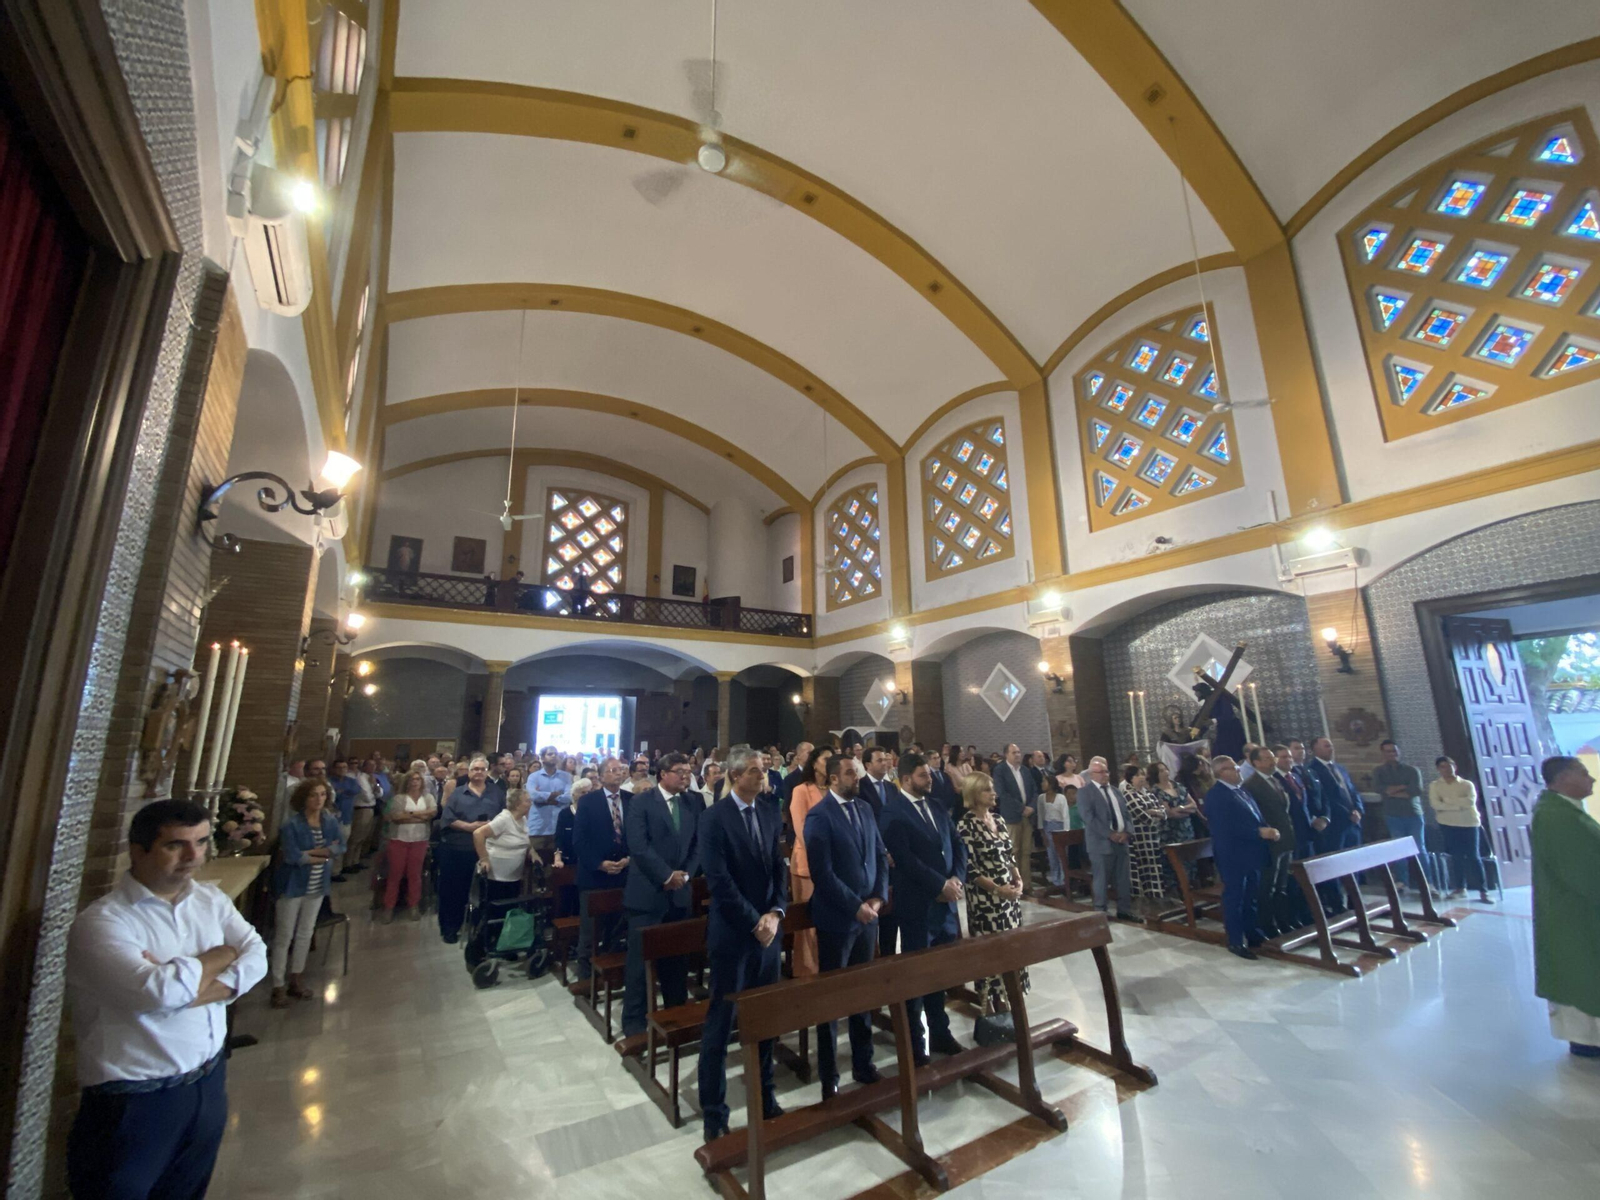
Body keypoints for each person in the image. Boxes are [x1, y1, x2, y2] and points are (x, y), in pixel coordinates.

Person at [65, 799, 267, 1199]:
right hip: (136, 1101)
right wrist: (221, 955)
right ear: (138, 851)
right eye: (176, 845)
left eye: (202, 842)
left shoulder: (210, 901)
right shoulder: (104, 922)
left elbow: (257, 954)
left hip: (207, 1084)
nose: (193, 856)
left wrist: (185, 986)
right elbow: (158, 993)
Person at [697, 746, 789, 1143]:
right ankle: (715, 1112)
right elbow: (719, 881)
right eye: (754, 771)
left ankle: (764, 1094)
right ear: (735, 776)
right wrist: (755, 921)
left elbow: (778, 867)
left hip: (768, 933)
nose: (762, 777)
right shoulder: (714, 818)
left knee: (766, 1018)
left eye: (764, 770)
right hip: (734, 934)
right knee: (722, 1021)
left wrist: (776, 912)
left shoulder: (768, 811)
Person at [803, 753, 889, 1098]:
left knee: (862, 992)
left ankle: (864, 1062)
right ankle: (829, 1073)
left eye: (857, 772)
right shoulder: (819, 816)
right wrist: (856, 906)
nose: (858, 778)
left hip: (869, 916)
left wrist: (878, 898)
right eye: (851, 773)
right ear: (834, 779)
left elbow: (880, 856)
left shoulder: (865, 809)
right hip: (838, 920)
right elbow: (822, 874)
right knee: (833, 999)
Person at [879, 753, 966, 1061]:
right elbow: (905, 859)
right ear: (905, 780)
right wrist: (938, 885)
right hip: (917, 906)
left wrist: (956, 878)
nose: (929, 780)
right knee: (917, 976)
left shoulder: (938, 806)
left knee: (940, 975)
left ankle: (940, 1033)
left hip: (946, 906)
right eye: (922, 776)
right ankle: (916, 1043)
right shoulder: (893, 813)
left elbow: (957, 844)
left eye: (929, 775)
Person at [621, 753, 703, 1039]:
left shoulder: (693, 802)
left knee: (677, 960)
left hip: (681, 892)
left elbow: (698, 844)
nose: (686, 776)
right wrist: (667, 876)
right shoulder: (641, 802)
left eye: (688, 770)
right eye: (679, 771)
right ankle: (634, 1023)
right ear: (662, 774)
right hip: (648, 894)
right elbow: (638, 846)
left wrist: (686, 875)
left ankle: (675, 1015)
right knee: (638, 963)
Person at [1531, 755, 1600, 1056]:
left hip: (1577, 910)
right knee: (1580, 972)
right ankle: (1586, 1041)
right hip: (1575, 913)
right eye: (1584, 773)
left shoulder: (1562, 810)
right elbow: (1582, 871)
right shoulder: (1556, 817)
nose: (1592, 779)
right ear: (1563, 778)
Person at [957, 773, 1028, 1018]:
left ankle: (1011, 1002)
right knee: (991, 953)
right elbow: (969, 868)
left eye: (992, 789)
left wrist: (1017, 878)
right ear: (975, 794)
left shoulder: (997, 819)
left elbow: (1009, 855)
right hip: (986, 900)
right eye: (987, 790)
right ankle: (992, 1007)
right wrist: (997, 889)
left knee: (1011, 948)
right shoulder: (966, 824)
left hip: (1008, 898)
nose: (993, 793)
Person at [1205, 756, 1279, 959]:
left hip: (1251, 852)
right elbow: (1225, 828)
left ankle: (1253, 933)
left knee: (1250, 896)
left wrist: (1264, 829)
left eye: (1237, 767)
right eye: (1233, 768)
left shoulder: (1242, 790)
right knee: (1235, 897)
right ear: (1221, 772)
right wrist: (1258, 832)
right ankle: (1235, 940)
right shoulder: (1216, 796)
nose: (1238, 771)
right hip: (1233, 854)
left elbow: (1254, 814)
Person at [573, 757, 631, 980]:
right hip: (595, 876)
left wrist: (628, 859)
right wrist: (599, 863)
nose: (618, 773)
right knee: (590, 932)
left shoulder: (631, 799)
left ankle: (611, 974)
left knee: (617, 928)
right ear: (603, 774)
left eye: (621, 770)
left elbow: (636, 835)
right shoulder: (589, 802)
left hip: (623, 874)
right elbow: (579, 840)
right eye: (613, 770)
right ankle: (586, 978)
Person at [436, 756, 502, 943]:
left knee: (484, 891)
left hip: (487, 848)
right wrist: (471, 827)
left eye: (482, 769)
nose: (478, 772)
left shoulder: (496, 792)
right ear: (469, 772)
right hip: (459, 847)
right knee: (453, 890)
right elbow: (448, 819)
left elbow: (503, 815)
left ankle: (479, 928)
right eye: (475, 769)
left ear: (487, 772)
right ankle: (450, 927)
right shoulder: (458, 793)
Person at [787, 745, 833, 979]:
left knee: (830, 921)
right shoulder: (801, 790)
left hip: (834, 867)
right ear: (815, 763)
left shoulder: (835, 791)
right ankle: (807, 975)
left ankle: (829, 971)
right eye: (827, 759)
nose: (831, 762)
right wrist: (823, 858)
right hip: (807, 865)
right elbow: (801, 829)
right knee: (807, 925)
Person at [1242, 747, 1296, 936]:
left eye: (1272, 758)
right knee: (1268, 886)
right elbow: (1253, 815)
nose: (1272, 762)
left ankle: (1283, 920)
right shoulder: (1251, 785)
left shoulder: (1275, 780)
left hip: (1285, 839)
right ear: (1255, 763)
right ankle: (1267, 924)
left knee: (1282, 884)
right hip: (1269, 843)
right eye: (1266, 759)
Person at [1308, 737, 1363, 912]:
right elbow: (1325, 799)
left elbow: (1352, 791)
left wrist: (1358, 810)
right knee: (1334, 866)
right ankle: (1336, 903)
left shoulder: (1340, 768)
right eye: (1326, 746)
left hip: (1352, 823)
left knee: (1354, 863)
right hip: (1334, 825)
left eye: (1331, 745)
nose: (1330, 748)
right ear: (1315, 749)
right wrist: (1345, 814)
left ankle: (1354, 901)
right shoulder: (1313, 770)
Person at [1428, 756, 1492, 903]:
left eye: (1450, 765)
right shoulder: (1435, 785)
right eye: (1443, 766)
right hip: (1447, 824)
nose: (1447, 769)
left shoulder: (1466, 784)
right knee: (1456, 857)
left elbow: (1469, 801)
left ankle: (1483, 891)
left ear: (1455, 767)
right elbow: (1436, 804)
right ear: (1438, 769)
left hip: (1469, 823)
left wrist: (1447, 802)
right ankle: (1460, 888)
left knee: (1473, 857)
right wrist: (1458, 805)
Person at [1077, 759, 1136, 919]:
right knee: (1101, 879)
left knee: (1123, 878)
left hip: (1121, 841)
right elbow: (1089, 818)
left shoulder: (1116, 791)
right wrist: (1109, 834)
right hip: (1100, 843)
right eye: (1100, 772)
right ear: (1091, 775)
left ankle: (1124, 910)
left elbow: (1126, 815)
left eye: (1106, 771)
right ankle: (1100, 912)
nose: (1105, 775)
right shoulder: (1085, 792)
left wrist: (1127, 832)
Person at [1373, 739, 1428, 891]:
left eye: (1394, 750)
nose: (1392, 754)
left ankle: (1427, 882)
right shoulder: (1379, 771)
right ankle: (1402, 881)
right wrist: (1403, 788)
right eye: (1388, 751)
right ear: (1383, 753)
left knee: (1419, 848)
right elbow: (1379, 789)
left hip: (1413, 813)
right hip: (1393, 814)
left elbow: (1416, 790)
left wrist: (1392, 791)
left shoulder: (1412, 770)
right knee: (1398, 848)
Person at [381, 769, 434, 923]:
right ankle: (389, 906)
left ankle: (414, 905)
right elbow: (396, 817)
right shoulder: (399, 798)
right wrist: (419, 816)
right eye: (412, 779)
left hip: (419, 839)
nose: (415, 782)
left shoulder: (428, 797)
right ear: (407, 781)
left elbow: (431, 813)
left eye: (418, 779)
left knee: (414, 874)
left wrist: (409, 815)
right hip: (399, 839)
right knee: (395, 874)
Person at [474, 788, 540, 902]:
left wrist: (532, 852)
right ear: (517, 804)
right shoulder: (504, 819)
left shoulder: (522, 819)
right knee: (497, 910)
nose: (531, 804)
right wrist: (484, 859)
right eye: (527, 801)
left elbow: (524, 839)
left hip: (514, 876)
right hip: (496, 877)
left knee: (510, 909)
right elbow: (478, 834)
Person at [992, 743, 1038, 895]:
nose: (1018, 755)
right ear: (1006, 754)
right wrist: (1021, 808)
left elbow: (1033, 790)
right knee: (1014, 851)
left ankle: (1027, 884)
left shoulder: (1025, 770)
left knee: (1026, 852)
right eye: (1014, 753)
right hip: (1012, 816)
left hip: (1027, 815)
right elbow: (1002, 793)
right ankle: (1014, 883)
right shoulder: (1000, 770)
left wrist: (1031, 806)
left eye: (1019, 752)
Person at [525, 745, 570, 862]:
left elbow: (569, 797)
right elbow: (533, 796)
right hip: (538, 827)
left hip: (558, 827)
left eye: (556, 754)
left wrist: (544, 797)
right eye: (550, 754)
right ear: (543, 758)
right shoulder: (533, 777)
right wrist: (555, 795)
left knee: (555, 866)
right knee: (534, 863)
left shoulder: (566, 776)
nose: (554, 756)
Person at [1041, 778, 1071, 889]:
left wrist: (1066, 831)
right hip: (1048, 827)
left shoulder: (1061, 797)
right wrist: (1042, 832)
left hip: (1060, 827)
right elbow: (1041, 816)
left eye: (1045, 781)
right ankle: (1055, 880)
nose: (1042, 783)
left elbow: (1065, 816)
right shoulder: (1041, 798)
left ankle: (1064, 879)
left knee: (1062, 855)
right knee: (1051, 855)